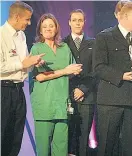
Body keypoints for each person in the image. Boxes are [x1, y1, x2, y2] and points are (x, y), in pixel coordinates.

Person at [93, 1, 132, 156]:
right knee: (107, 146)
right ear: (125, 17)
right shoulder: (104, 37)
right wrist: (120, 76)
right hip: (110, 100)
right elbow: (98, 67)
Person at [30, 13, 82, 156]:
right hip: (44, 106)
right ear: (40, 30)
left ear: (56, 28)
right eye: (44, 26)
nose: (48, 29)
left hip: (62, 105)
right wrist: (65, 71)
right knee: (44, 149)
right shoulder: (37, 49)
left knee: (61, 149)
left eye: (51, 26)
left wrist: (76, 71)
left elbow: (71, 71)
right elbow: (39, 77)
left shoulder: (64, 48)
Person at [0, 2, 44, 156]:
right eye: (27, 19)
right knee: (3, 133)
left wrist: (33, 63)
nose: (29, 23)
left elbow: (25, 64)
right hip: (3, 91)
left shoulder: (22, 36)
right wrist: (22, 63)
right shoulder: (1, 35)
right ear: (17, 17)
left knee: (16, 134)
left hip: (19, 91)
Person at [64, 9, 97, 156]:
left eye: (80, 20)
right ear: (69, 23)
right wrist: (72, 91)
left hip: (87, 97)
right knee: (67, 135)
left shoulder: (94, 44)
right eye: (74, 20)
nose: (77, 23)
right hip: (66, 96)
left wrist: (83, 89)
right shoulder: (62, 44)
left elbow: (97, 70)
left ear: (84, 22)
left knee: (84, 136)